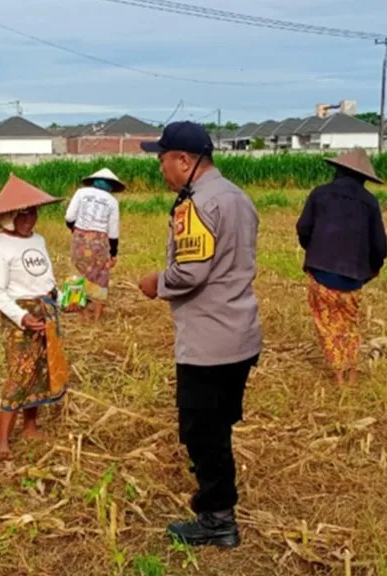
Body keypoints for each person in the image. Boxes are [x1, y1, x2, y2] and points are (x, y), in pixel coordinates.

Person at [137, 121, 262, 548]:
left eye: (163, 160)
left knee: (203, 433)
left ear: (185, 160)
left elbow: (190, 271)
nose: (161, 169)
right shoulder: (239, 197)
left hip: (209, 341)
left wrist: (157, 282)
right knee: (218, 426)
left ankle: (217, 518)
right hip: (240, 333)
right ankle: (217, 509)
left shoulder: (195, 203)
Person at [0, 174, 70, 461]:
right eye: (22, 213)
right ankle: (2, 441)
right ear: (8, 217)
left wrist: (60, 297)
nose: (29, 219)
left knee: (42, 372)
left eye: (33, 212)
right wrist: (21, 317)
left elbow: (45, 275)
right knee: (20, 375)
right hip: (20, 316)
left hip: (45, 310)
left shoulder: (39, 240)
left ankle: (30, 426)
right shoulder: (0, 247)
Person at [296, 148, 387, 386]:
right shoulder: (369, 202)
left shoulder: (319, 194)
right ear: (363, 177)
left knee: (328, 325)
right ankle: (353, 372)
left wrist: (314, 251)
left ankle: (339, 375)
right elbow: (380, 246)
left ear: (338, 170)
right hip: (353, 278)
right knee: (348, 324)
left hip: (321, 272)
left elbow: (303, 228)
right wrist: (373, 269)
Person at [65, 168, 124, 321]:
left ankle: (82, 315)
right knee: (100, 276)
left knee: (78, 274)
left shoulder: (80, 193)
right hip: (100, 242)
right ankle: (97, 318)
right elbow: (113, 231)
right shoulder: (112, 201)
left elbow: (69, 216)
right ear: (111, 185)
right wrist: (113, 253)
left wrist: (76, 230)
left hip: (80, 239)